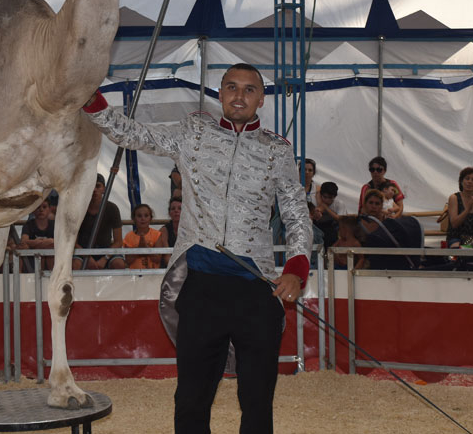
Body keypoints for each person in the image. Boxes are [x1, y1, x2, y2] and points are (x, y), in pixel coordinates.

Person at [82, 63, 310, 434]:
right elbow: (135, 134)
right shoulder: (194, 134)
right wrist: (93, 103)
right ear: (220, 94)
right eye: (232, 87)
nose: (239, 96)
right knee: (191, 399)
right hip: (201, 288)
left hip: (257, 292)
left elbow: (297, 214)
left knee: (257, 401)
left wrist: (296, 271)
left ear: (261, 99)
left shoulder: (277, 151)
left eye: (249, 89)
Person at [73, 174, 126, 270]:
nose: (94, 190)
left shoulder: (112, 208)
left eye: (97, 186)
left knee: (119, 264)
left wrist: (105, 258)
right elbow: (73, 242)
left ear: (104, 189)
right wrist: (87, 257)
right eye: (91, 186)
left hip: (105, 252)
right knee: (75, 265)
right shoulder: (78, 209)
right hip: (82, 252)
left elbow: (118, 241)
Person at [8, 199, 55, 272]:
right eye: (38, 207)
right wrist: (47, 242)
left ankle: (53, 278)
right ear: (33, 210)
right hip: (32, 261)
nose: (41, 210)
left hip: (50, 261)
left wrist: (33, 243)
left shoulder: (55, 225)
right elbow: (24, 242)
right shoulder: (28, 225)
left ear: (49, 209)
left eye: (44, 207)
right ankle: (19, 280)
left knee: (51, 252)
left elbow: (58, 243)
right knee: (20, 250)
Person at [446, 167, 473, 248]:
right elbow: (454, 224)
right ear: (461, 182)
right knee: (461, 250)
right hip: (456, 238)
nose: (469, 182)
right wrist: (467, 210)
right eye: (467, 178)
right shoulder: (454, 198)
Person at [124, 203, 163, 269]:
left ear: (150, 218)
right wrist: (138, 249)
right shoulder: (129, 236)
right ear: (134, 219)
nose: (143, 218)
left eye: (146, 215)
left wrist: (146, 249)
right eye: (139, 216)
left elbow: (158, 259)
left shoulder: (157, 235)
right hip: (134, 276)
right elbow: (128, 261)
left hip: (153, 275)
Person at [310, 181, 340, 248]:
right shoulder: (313, 200)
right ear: (321, 195)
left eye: (330, 198)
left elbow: (340, 219)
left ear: (335, 196)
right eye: (325, 197)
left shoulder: (339, 204)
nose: (327, 200)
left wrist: (325, 207)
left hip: (332, 234)